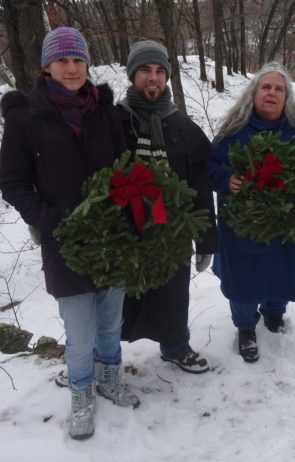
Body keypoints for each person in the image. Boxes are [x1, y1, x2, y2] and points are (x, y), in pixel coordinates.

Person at [0, 27, 139, 440]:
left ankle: (109, 376)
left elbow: (124, 166)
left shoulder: (105, 111)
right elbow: (11, 180)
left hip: (112, 237)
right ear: (47, 66)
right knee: (79, 330)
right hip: (65, 242)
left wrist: (128, 213)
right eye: (62, 60)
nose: (72, 68)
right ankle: (81, 389)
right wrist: (48, 219)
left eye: (78, 60)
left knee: (111, 321)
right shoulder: (25, 117)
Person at [208, 62, 295, 363]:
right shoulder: (234, 130)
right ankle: (246, 326)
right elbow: (209, 166)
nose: (272, 93)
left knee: (283, 267)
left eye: (279, 89)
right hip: (242, 227)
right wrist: (226, 180)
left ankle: (275, 313)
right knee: (244, 276)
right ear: (254, 93)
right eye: (266, 87)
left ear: (286, 98)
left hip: (288, 224)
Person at [117, 40, 217, 373]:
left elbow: (201, 189)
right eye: (145, 70)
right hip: (124, 231)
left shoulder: (185, 129)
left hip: (172, 232)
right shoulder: (114, 123)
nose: (153, 78)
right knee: (115, 298)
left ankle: (176, 346)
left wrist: (205, 241)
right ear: (133, 75)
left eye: (160, 71)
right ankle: (101, 354)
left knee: (173, 294)